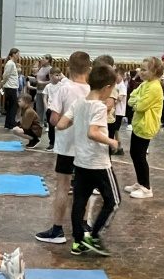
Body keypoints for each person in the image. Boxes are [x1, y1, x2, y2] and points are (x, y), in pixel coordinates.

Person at [55, 64, 121, 256]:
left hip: (81, 162)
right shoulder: (99, 106)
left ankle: (78, 242)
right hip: (99, 163)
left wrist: (79, 120)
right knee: (114, 201)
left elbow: (60, 124)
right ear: (107, 87)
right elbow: (93, 133)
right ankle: (94, 236)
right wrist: (112, 142)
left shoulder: (79, 103)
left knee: (79, 202)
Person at [35, 51, 91, 244]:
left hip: (67, 146)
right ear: (88, 68)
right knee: (84, 187)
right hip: (87, 146)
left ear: (68, 68)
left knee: (63, 186)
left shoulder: (63, 89)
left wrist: (64, 121)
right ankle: (84, 226)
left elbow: (54, 119)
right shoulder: (93, 90)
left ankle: (57, 230)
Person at [124, 57, 164, 199]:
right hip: (138, 125)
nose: (140, 72)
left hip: (146, 126)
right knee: (134, 153)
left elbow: (140, 106)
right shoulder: (145, 84)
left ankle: (146, 188)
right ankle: (140, 182)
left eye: (144, 69)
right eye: (140, 68)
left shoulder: (155, 87)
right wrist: (136, 102)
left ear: (154, 71)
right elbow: (131, 98)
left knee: (140, 156)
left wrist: (136, 103)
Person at [42, 67, 63, 151]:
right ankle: (51, 143)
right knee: (51, 127)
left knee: (59, 127)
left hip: (59, 109)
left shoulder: (62, 85)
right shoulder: (48, 86)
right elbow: (44, 97)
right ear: (51, 75)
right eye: (56, 75)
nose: (58, 77)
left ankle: (59, 143)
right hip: (50, 109)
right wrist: (46, 107)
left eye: (59, 75)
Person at [1, 48, 21, 129]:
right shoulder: (10, 64)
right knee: (13, 106)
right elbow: (6, 75)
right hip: (10, 87)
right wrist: (3, 83)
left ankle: (8, 123)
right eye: (18, 54)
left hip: (11, 87)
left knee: (11, 106)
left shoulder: (12, 63)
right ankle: (11, 123)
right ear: (13, 54)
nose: (19, 56)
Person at [112, 68, 128, 155]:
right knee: (114, 130)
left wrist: (112, 101)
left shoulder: (122, 86)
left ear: (122, 76)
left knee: (116, 130)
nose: (116, 77)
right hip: (114, 111)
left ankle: (119, 147)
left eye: (117, 75)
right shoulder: (115, 85)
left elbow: (120, 98)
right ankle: (116, 147)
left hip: (119, 111)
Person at [35, 54, 54, 127]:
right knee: (39, 107)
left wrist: (42, 83)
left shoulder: (50, 69)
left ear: (48, 60)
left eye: (44, 58)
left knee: (46, 107)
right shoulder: (41, 68)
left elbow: (52, 80)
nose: (42, 60)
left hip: (46, 91)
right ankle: (40, 123)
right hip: (39, 90)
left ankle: (47, 123)